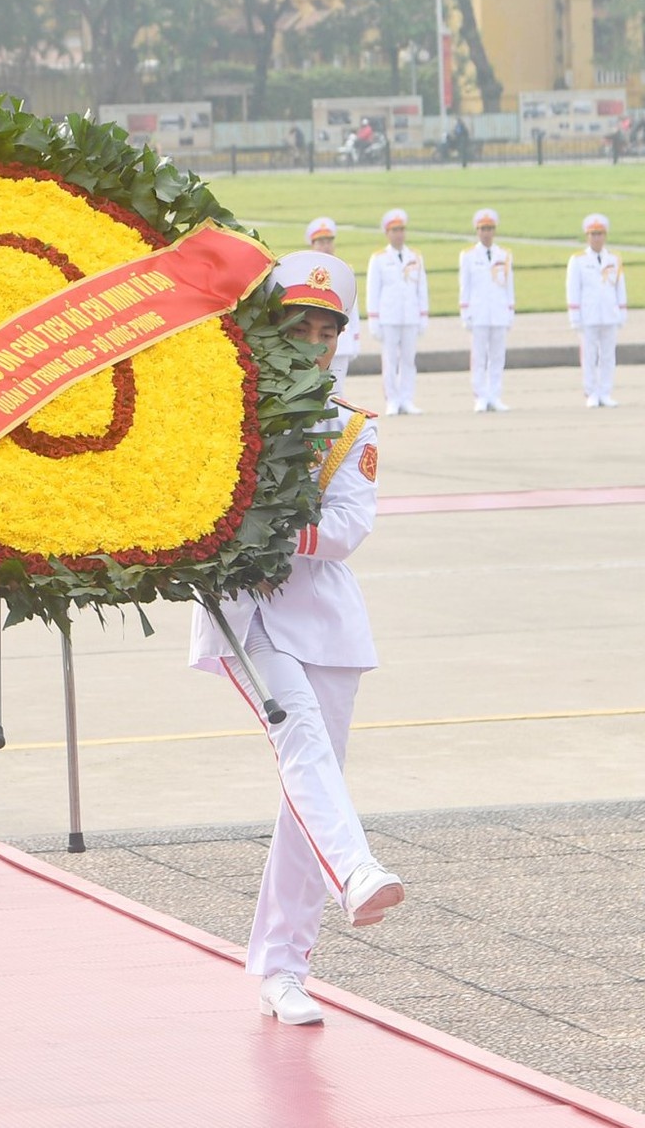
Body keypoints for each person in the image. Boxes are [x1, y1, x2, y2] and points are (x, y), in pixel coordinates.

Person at [189, 251, 404, 1027]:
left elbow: (347, 528)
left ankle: (284, 964)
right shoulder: (227, 407)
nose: (312, 341)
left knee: (308, 793)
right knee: (304, 748)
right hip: (248, 614)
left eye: (325, 330)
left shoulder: (352, 425)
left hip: (327, 620)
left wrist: (274, 527)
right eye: (298, 326)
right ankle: (356, 869)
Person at [365, 209, 428, 416]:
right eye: (394, 230)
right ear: (387, 233)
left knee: (409, 360)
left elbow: (421, 288)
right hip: (388, 316)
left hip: (410, 315)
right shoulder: (379, 258)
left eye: (401, 229)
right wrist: (373, 320)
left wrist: (423, 315)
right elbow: (373, 291)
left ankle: (407, 399)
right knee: (390, 360)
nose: (399, 234)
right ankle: (392, 400)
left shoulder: (415, 257)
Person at [566, 214, 627, 408]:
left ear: (605, 235)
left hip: (609, 313)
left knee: (608, 355)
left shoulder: (614, 259)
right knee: (589, 355)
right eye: (593, 234)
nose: (596, 238)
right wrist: (574, 316)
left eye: (599, 234)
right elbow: (573, 289)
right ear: (587, 236)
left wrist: (622, 311)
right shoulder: (578, 260)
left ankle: (605, 391)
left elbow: (620, 287)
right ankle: (591, 392)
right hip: (588, 315)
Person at [458, 208, 515, 412]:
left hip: (499, 312)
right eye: (483, 229)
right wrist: (465, 312)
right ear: (477, 231)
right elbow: (465, 286)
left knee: (498, 357)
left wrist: (510, 311)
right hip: (479, 313)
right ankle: (481, 396)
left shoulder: (505, 254)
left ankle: (495, 395)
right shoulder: (468, 256)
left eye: (490, 228)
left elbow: (509, 286)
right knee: (479, 356)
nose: (486, 233)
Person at [304, 219, 358, 381]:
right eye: (321, 242)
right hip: (313, 339)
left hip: (339, 336)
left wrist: (355, 338)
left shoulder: (345, 270)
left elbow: (352, 307)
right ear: (312, 244)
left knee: (337, 391)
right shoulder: (306, 271)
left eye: (328, 241)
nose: (325, 246)